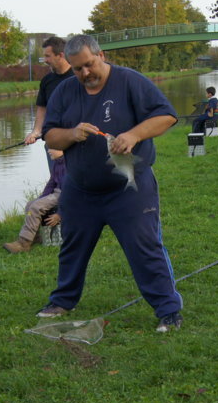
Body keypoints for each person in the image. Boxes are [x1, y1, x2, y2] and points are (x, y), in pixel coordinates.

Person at [36, 34, 183, 332]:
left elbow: (167, 116)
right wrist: (72, 134)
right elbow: (50, 134)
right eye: (78, 69)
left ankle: (168, 311)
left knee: (146, 248)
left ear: (101, 55)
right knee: (72, 248)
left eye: (89, 65)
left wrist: (134, 135)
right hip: (80, 189)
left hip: (130, 189)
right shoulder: (65, 91)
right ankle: (62, 300)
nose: (85, 74)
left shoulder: (130, 81)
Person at [3, 148, 65, 253]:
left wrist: (60, 214)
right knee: (30, 205)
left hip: (64, 194)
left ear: (62, 148)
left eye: (52, 148)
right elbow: (51, 184)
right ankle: (35, 236)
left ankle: (24, 243)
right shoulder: (57, 163)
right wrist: (40, 199)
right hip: (57, 192)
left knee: (36, 207)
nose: (48, 151)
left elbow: (71, 193)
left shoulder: (69, 164)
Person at [25, 36, 75, 152]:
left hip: (75, 142)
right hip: (53, 143)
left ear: (61, 55)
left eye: (48, 56)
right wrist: (36, 132)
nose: (45, 60)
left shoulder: (78, 76)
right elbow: (42, 109)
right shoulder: (46, 81)